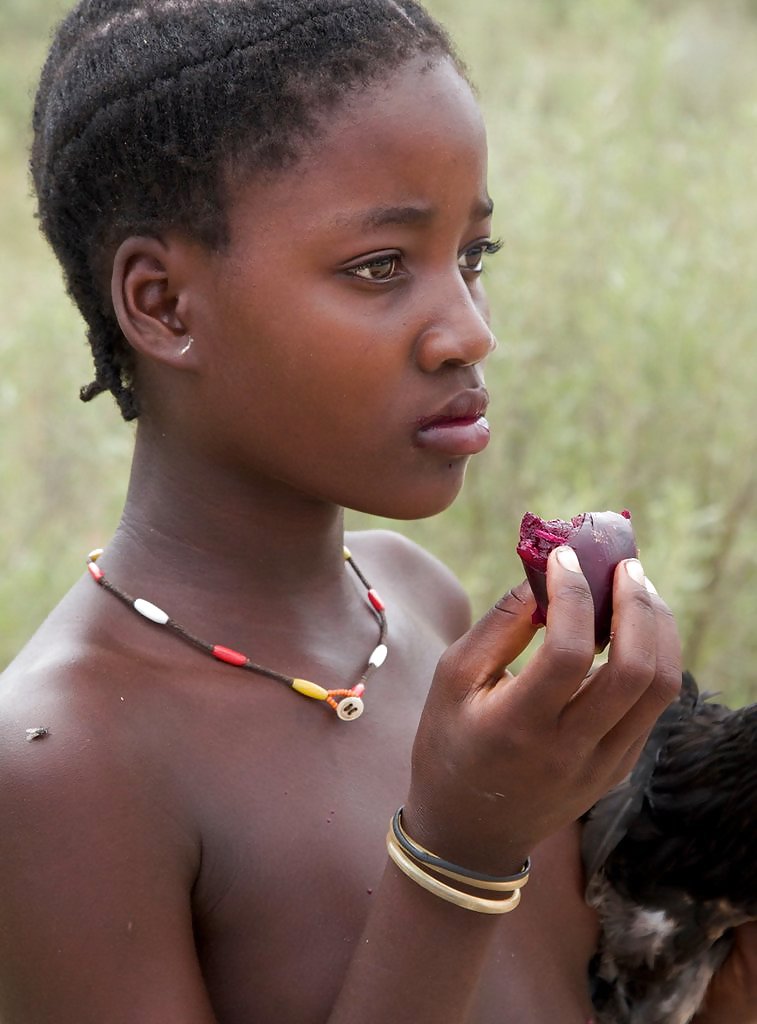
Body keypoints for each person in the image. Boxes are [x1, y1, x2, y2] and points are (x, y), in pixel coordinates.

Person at [0, 1, 753, 1021]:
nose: (467, 332)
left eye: (472, 256)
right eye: (379, 267)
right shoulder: (59, 764)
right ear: (163, 304)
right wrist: (458, 853)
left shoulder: (415, 600)